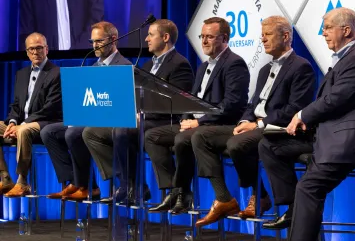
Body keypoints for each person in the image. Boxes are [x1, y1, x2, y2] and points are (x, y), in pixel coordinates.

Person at [192, 15, 316, 227]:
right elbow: (252, 104)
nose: (263, 40)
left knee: (237, 144)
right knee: (201, 136)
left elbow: (294, 109)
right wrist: (244, 121)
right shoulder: (264, 70)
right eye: (262, 35)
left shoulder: (301, 67)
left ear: (286, 36)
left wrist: (258, 124)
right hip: (254, 126)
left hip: (278, 129)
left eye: (268, 35)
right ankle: (228, 197)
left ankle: (261, 195)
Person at [281, 7, 355, 241]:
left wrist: (302, 115)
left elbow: (337, 99)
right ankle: (289, 212)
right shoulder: (345, 58)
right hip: (327, 137)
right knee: (272, 146)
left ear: (347, 30)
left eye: (328, 27)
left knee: (308, 188)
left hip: (346, 142)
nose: (323, 33)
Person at [145, 17, 250, 215]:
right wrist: (185, 118)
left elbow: (232, 105)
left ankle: (184, 192)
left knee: (184, 138)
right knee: (152, 136)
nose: (204, 41)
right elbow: (190, 99)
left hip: (221, 125)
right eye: (202, 36)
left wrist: (199, 121)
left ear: (224, 38)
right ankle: (174, 190)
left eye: (209, 37)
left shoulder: (235, 63)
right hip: (198, 123)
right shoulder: (203, 67)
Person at [82, 19, 194, 204]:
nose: (147, 39)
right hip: (144, 119)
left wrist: (142, 114)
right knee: (90, 133)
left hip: (165, 122)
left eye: (151, 35)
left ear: (165, 37)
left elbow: (176, 104)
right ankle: (129, 182)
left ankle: (131, 186)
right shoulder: (148, 65)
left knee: (123, 129)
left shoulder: (179, 64)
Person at [40, 21, 131, 201]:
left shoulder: (124, 66)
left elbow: (120, 105)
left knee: (73, 133)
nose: (95, 46)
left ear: (113, 40)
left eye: (99, 41)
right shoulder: (94, 67)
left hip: (109, 123)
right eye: (92, 42)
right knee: (48, 131)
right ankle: (76, 181)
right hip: (90, 119)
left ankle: (89, 186)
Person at [0, 32, 62, 197]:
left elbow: (51, 107)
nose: (36, 52)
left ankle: (22, 181)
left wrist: (22, 124)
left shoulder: (56, 73)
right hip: (21, 124)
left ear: (47, 49)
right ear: (27, 52)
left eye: (39, 48)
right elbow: (16, 105)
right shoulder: (21, 74)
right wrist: (12, 122)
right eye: (32, 49)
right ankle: (5, 177)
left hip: (45, 124)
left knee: (24, 130)